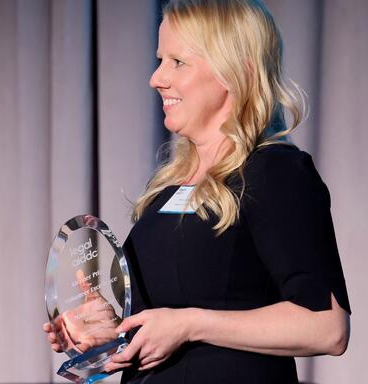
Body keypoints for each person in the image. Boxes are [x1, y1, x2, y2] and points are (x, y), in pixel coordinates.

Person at [44, 0, 351, 383]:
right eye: (160, 60)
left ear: (235, 71)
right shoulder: (166, 191)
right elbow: (165, 315)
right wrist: (108, 327)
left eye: (177, 62)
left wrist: (189, 325)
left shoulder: (276, 172)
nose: (156, 78)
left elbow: (327, 327)